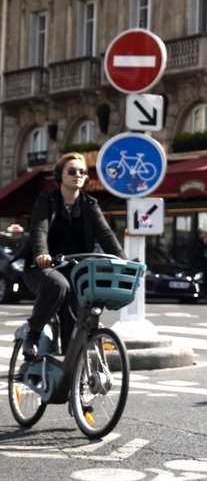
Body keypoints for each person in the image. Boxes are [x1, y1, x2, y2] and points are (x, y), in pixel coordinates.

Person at [18, 153, 127, 358]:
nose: (78, 174)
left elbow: (106, 235)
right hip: (43, 268)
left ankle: (70, 377)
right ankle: (33, 335)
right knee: (59, 286)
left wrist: (124, 261)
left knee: (76, 319)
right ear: (60, 175)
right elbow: (39, 229)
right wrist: (42, 254)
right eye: (72, 171)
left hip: (75, 270)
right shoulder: (47, 200)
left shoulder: (89, 204)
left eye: (82, 172)